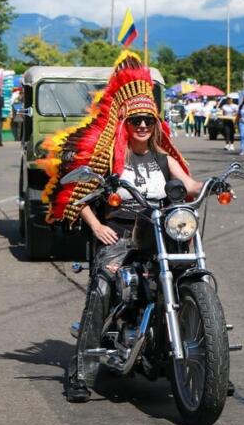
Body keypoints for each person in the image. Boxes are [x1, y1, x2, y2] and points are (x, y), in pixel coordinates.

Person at [38, 52, 220, 403]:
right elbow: (82, 198)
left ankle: (211, 363)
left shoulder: (163, 159)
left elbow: (190, 184)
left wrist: (214, 183)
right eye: (136, 120)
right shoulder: (111, 161)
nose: (141, 126)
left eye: (148, 121)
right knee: (105, 286)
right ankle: (82, 371)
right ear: (125, 123)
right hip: (121, 233)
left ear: (155, 124)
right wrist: (96, 227)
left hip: (162, 232)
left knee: (196, 276)